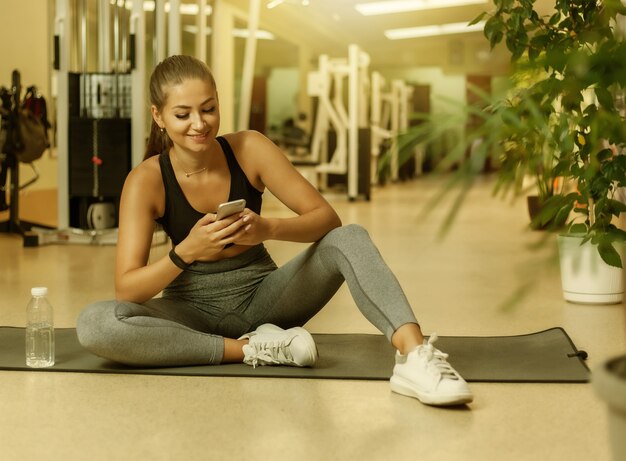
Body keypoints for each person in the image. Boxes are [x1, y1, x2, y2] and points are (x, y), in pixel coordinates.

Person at [76, 55, 473, 407]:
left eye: (209, 109)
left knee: (349, 237)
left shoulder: (249, 148)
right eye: (183, 115)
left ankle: (414, 358)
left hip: (267, 299)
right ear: (159, 116)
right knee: (96, 323)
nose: (199, 124)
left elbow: (326, 219)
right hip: (189, 312)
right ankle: (252, 349)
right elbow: (126, 290)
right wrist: (186, 251)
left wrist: (268, 228)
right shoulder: (145, 181)